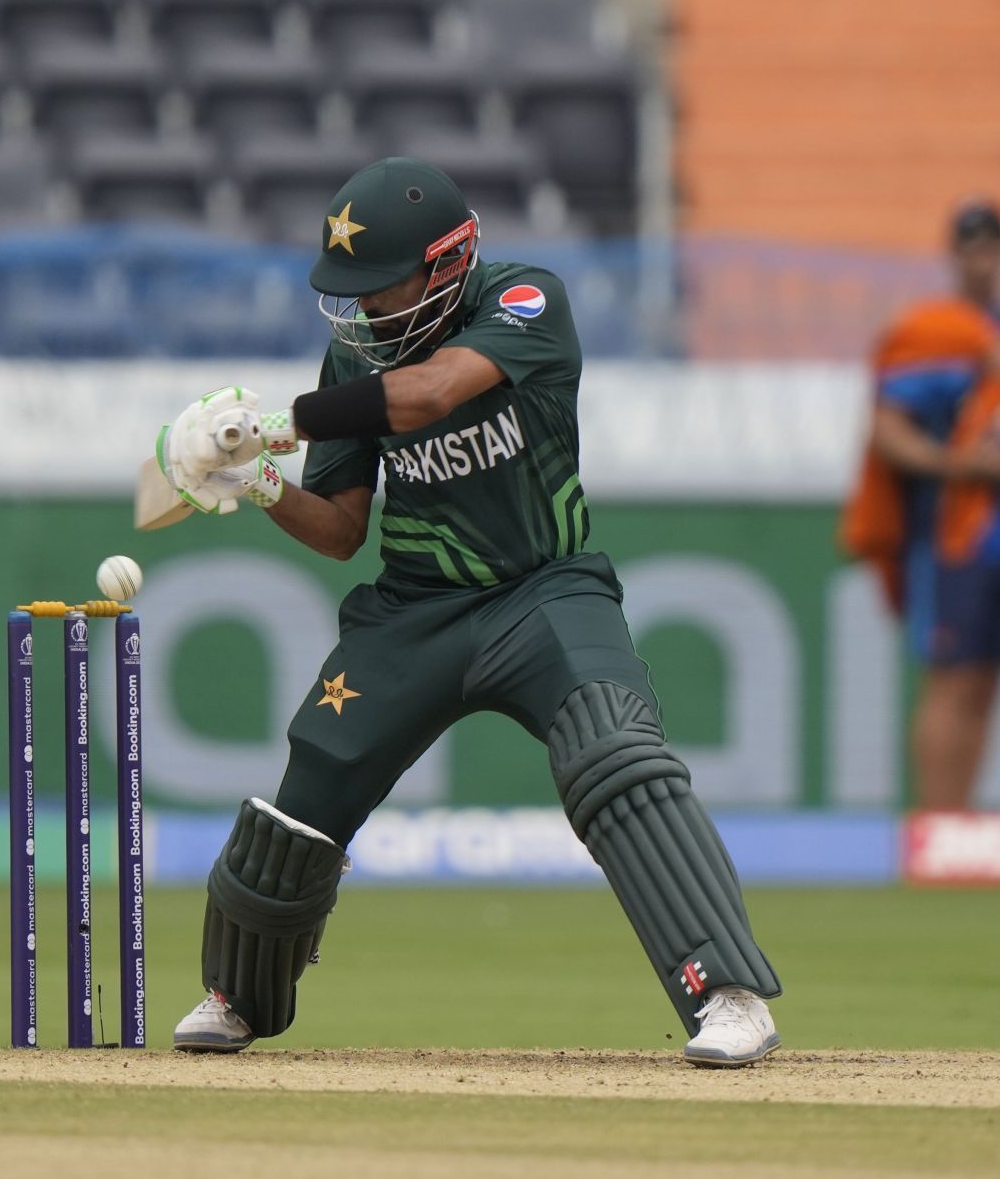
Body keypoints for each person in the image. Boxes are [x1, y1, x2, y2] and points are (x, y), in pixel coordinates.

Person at [152, 158, 783, 1066]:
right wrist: (256, 482)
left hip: (544, 591)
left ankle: (726, 993)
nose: (365, 310)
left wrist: (271, 423)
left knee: (614, 752)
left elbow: (435, 391)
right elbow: (338, 531)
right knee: (316, 773)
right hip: (414, 610)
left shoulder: (526, 299)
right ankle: (239, 994)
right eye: (352, 292)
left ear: (445, 264)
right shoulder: (356, 356)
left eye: (381, 285)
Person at [840, 202, 1000, 809]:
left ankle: (960, 818)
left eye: (992, 248)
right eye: (971, 249)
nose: (982, 262)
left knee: (988, 677)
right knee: (950, 677)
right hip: (947, 533)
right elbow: (887, 430)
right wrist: (958, 466)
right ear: (954, 256)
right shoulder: (931, 333)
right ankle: (935, 820)